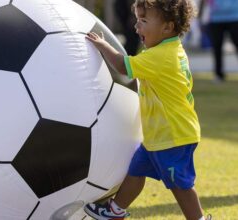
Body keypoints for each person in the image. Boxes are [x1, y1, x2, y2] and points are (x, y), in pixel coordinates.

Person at [83, 0, 211, 219]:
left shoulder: (160, 57)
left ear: (167, 27)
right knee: (136, 170)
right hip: (158, 136)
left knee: (179, 185)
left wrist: (103, 45)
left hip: (173, 137)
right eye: (137, 20)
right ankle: (115, 210)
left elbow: (124, 67)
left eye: (143, 21)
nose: (136, 27)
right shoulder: (171, 48)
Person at [199, 0, 238, 82]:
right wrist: (200, 16)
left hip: (235, 17)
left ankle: (219, 75)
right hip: (215, 18)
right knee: (217, 48)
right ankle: (218, 74)